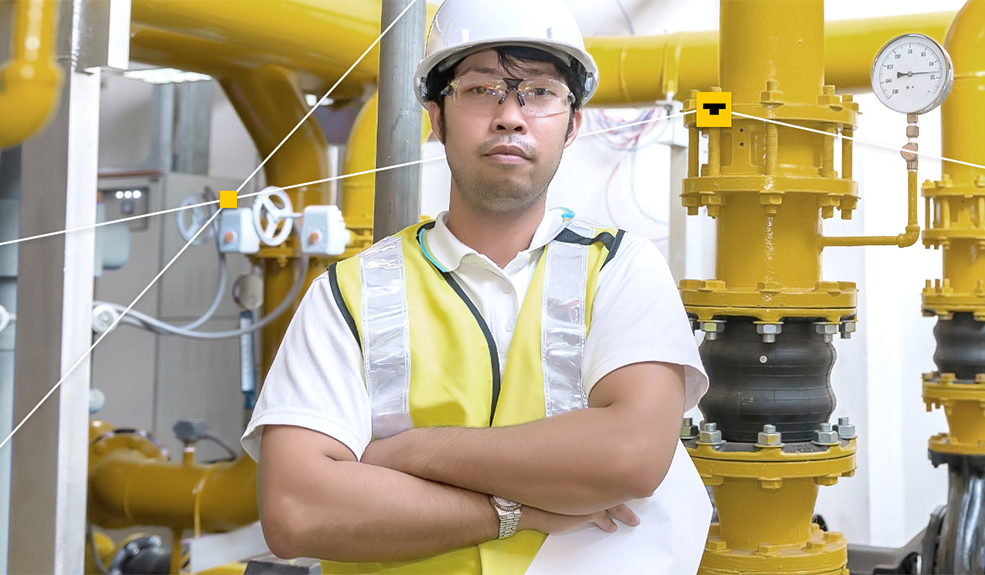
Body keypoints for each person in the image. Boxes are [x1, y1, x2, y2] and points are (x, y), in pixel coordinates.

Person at [241, 0, 710, 572]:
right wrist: (519, 512)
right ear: (437, 119)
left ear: (572, 125)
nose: (510, 116)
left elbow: (631, 456)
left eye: (540, 92)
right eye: (481, 90)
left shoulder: (618, 267)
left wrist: (410, 450)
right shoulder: (349, 292)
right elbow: (298, 512)